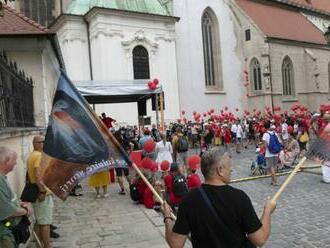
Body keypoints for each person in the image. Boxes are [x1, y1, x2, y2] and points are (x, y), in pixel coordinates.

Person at [162, 148, 276, 248]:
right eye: (229, 166)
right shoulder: (239, 198)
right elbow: (259, 239)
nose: (231, 170)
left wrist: (167, 217)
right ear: (220, 170)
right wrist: (267, 211)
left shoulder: (188, 201)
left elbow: (175, 244)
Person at [27, 136, 58, 248]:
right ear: (35, 143)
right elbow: (38, 174)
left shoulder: (32, 155)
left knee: (39, 220)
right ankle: (46, 245)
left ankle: (38, 244)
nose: (44, 143)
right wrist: (43, 191)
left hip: (36, 192)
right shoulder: (39, 156)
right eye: (42, 142)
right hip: (42, 194)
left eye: (45, 141)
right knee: (45, 222)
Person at [0, 147, 33, 248]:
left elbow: (8, 199)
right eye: (14, 160)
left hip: (8, 230)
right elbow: (6, 210)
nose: (16, 163)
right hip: (4, 234)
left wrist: (20, 203)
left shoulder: (2, 178)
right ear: (7, 161)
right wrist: (26, 210)